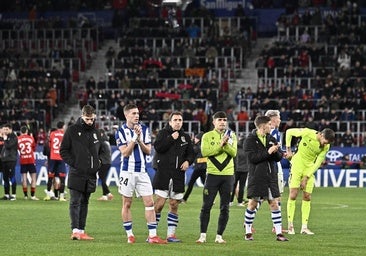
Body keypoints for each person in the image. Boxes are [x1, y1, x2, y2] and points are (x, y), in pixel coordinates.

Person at [116, 103, 166, 244]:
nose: (137, 116)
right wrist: (133, 138)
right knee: (127, 203)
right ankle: (130, 235)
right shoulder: (120, 131)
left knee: (150, 202)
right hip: (127, 172)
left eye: (137, 113)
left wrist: (139, 139)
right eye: (133, 113)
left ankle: (152, 236)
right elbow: (125, 152)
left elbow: (149, 150)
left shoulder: (144, 129)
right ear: (126, 115)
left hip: (142, 172)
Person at [60, 104, 108, 241]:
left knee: (85, 202)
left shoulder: (96, 133)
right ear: (82, 116)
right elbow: (63, 150)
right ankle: (75, 230)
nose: (90, 122)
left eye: (92, 119)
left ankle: (81, 230)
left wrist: (99, 163)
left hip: (91, 175)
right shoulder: (72, 130)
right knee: (75, 201)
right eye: (87, 119)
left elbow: (103, 152)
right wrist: (74, 163)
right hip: (76, 173)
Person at [243, 115, 288, 242]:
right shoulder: (250, 140)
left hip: (270, 176)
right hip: (256, 177)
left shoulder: (271, 138)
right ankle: (248, 231)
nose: (271, 126)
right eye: (269, 124)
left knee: (274, 203)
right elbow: (253, 159)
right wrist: (268, 152)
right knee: (252, 204)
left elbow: (278, 157)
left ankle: (279, 233)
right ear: (262, 126)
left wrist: (276, 152)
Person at [153, 111, 195, 242]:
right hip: (164, 174)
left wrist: (188, 161)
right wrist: (171, 138)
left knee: (174, 204)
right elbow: (158, 148)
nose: (178, 122)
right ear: (170, 122)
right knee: (159, 205)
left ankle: (171, 235)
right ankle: (152, 234)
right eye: (175, 120)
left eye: (180, 120)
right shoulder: (162, 134)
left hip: (178, 175)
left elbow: (191, 154)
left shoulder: (185, 137)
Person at [196, 111, 237, 244]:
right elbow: (205, 152)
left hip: (228, 176)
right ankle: (202, 236)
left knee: (225, 207)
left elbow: (234, 153)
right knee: (206, 206)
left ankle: (219, 236)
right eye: (220, 120)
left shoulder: (231, 135)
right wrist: (221, 146)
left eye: (224, 120)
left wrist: (225, 146)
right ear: (214, 122)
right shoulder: (207, 136)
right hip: (212, 175)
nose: (223, 122)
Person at [285, 127, 335, 235]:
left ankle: (304, 227)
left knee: (307, 196)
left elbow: (318, 163)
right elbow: (289, 132)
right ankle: (290, 226)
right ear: (321, 135)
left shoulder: (326, 147)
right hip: (297, 164)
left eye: (327, 143)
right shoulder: (307, 133)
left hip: (309, 168)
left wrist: (306, 177)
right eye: (325, 142)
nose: (325, 144)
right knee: (293, 195)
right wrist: (288, 150)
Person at [265, 109, 286, 232]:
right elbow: (274, 151)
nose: (280, 120)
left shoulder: (267, 131)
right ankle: (276, 226)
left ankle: (248, 222)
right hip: (274, 167)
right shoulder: (274, 132)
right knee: (276, 196)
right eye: (279, 117)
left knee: (263, 197)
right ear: (273, 119)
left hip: (268, 167)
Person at [44, 121, 67, 201]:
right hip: (61, 158)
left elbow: (49, 145)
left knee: (50, 177)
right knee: (62, 177)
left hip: (53, 157)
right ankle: (61, 197)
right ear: (63, 126)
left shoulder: (52, 133)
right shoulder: (65, 134)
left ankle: (47, 195)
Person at [182, 132, 206, 203]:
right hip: (203, 168)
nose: (195, 139)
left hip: (198, 168)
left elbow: (191, 150)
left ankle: (184, 199)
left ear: (199, 139)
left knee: (191, 183)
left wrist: (191, 142)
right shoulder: (203, 146)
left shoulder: (196, 147)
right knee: (206, 185)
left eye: (196, 138)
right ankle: (210, 199)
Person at [17, 126, 39, 200]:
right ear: (26, 131)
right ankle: (32, 196)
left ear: (20, 131)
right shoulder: (31, 138)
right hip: (31, 160)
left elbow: (18, 149)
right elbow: (34, 148)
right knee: (33, 177)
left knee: (24, 178)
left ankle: (25, 196)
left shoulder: (18, 139)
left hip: (23, 160)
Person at [229, 134, 248, 207]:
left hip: (236, 170)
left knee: (233, 186)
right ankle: (240, 202)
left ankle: (230, 201)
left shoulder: (236, 149)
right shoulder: (247, 150)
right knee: (242, 187)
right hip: (245, 170)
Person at [1, 123, 18, 201]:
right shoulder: (5, 137)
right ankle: (7, 194)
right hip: (4, 160)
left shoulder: (14, 137)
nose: (5, 131)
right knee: (5, 178)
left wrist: (4, 139)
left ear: (11, 129)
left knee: (12, 177)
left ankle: (13, 195)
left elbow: (8, 146)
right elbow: (4, 149)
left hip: (11, 160)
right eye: (4, 129)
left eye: (7, 129)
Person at [97, 128, 114, 201]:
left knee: (102, 178)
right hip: (108, 162)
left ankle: (108, 193)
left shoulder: (101, 142)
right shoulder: (106, 142)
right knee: (103, 178)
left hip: (104, 162)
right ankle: (105, 195)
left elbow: (97, 152)